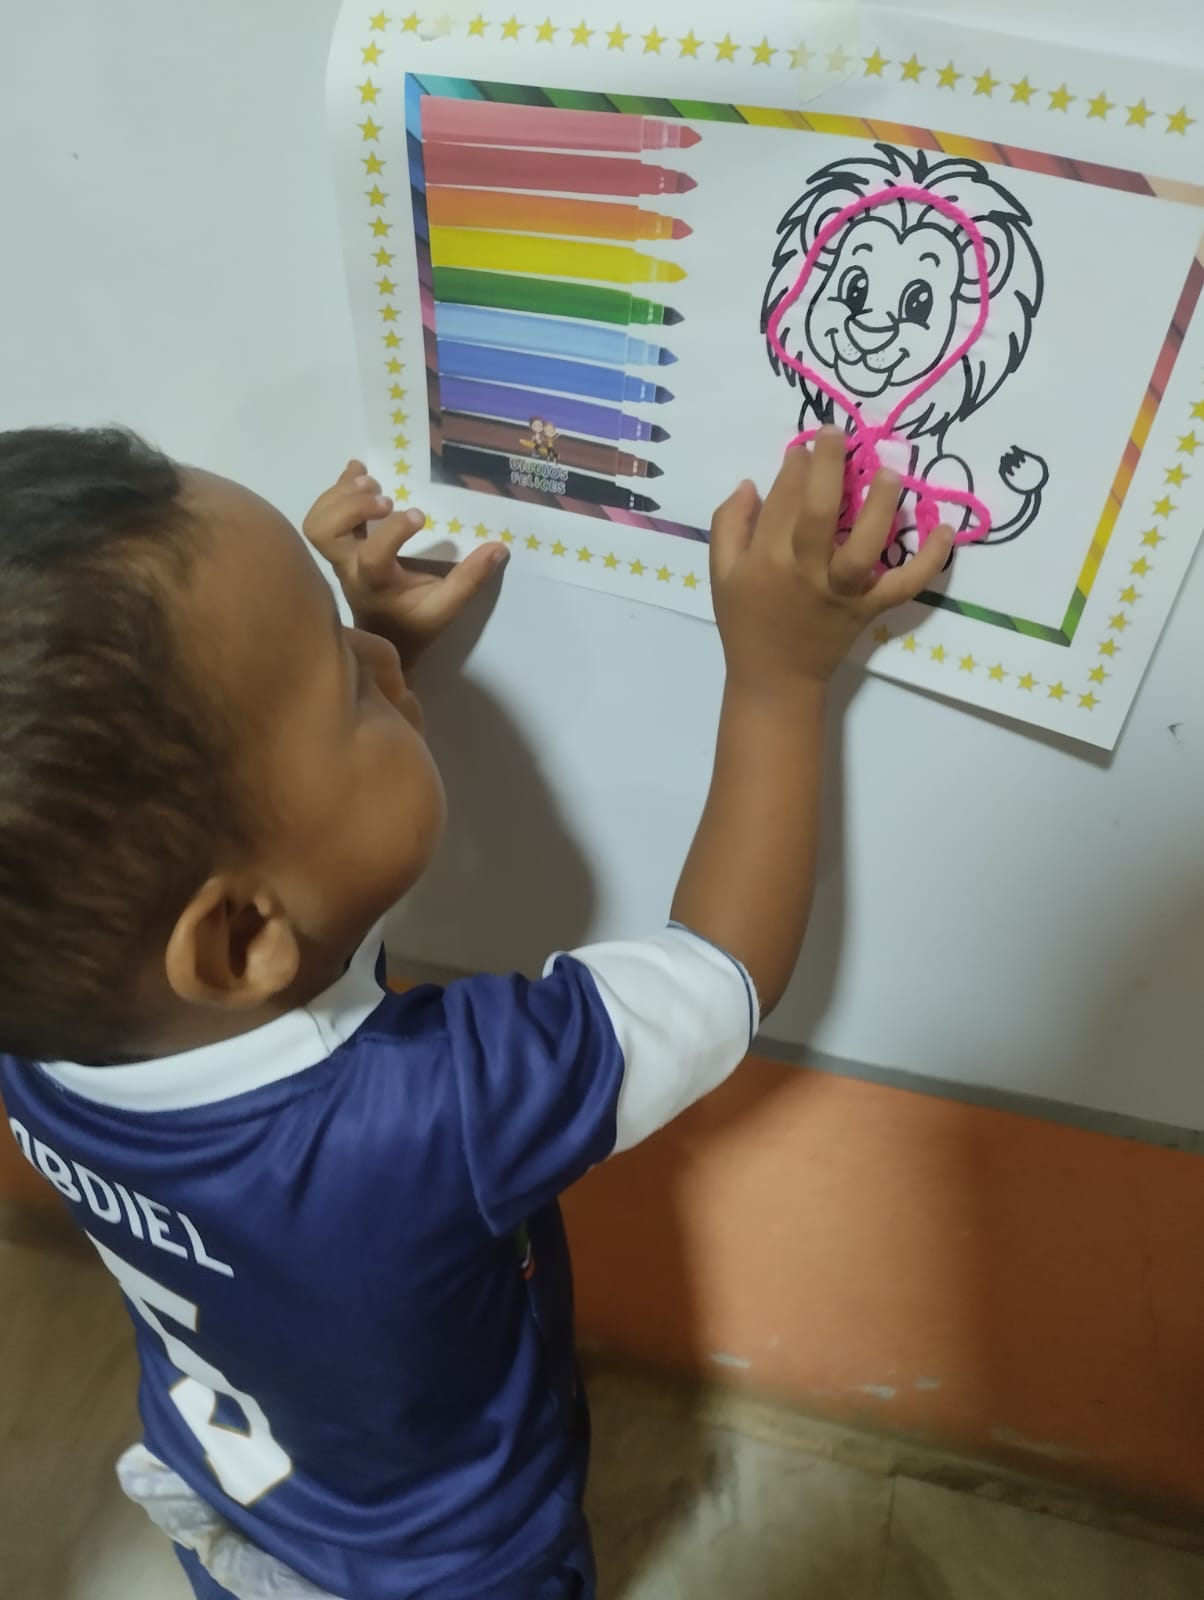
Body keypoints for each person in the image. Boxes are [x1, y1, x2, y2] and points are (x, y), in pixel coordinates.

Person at [0, 426, 951, 1600]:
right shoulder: (428, 1116)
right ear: (238, 939)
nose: (369, 647)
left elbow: (307, 918)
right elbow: (719, 974)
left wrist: (372, 655)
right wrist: (779, 679)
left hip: (236, 1514)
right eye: (345, 680)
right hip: (456, 1570)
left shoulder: (51, 1036)